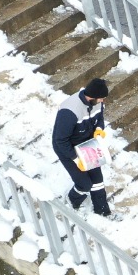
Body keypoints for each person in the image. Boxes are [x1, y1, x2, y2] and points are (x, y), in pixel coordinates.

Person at [52, 78, 111, 217]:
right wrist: (76, 158)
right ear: (91, 97)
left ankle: (102, 211)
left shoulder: (96, 103)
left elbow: (100, 118)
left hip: (87, 143)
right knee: (84, 184)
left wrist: (98, 129)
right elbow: (60, 140)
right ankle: (72, 200)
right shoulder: (69, 111)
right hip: (67, 148)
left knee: (97, 180)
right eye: (101, 98)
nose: (103, 101)